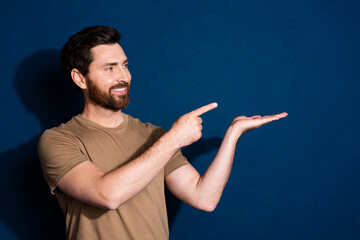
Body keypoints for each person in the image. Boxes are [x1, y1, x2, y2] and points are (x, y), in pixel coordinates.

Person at [38, 25, 287, 240]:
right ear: (80, 79)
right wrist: (174, 139)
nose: (123, 76)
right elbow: (107, 195)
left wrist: (233, 135)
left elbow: (204, 197)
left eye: (124, 65)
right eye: (109, 68)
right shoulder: (59, 140)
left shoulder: (153, 136)